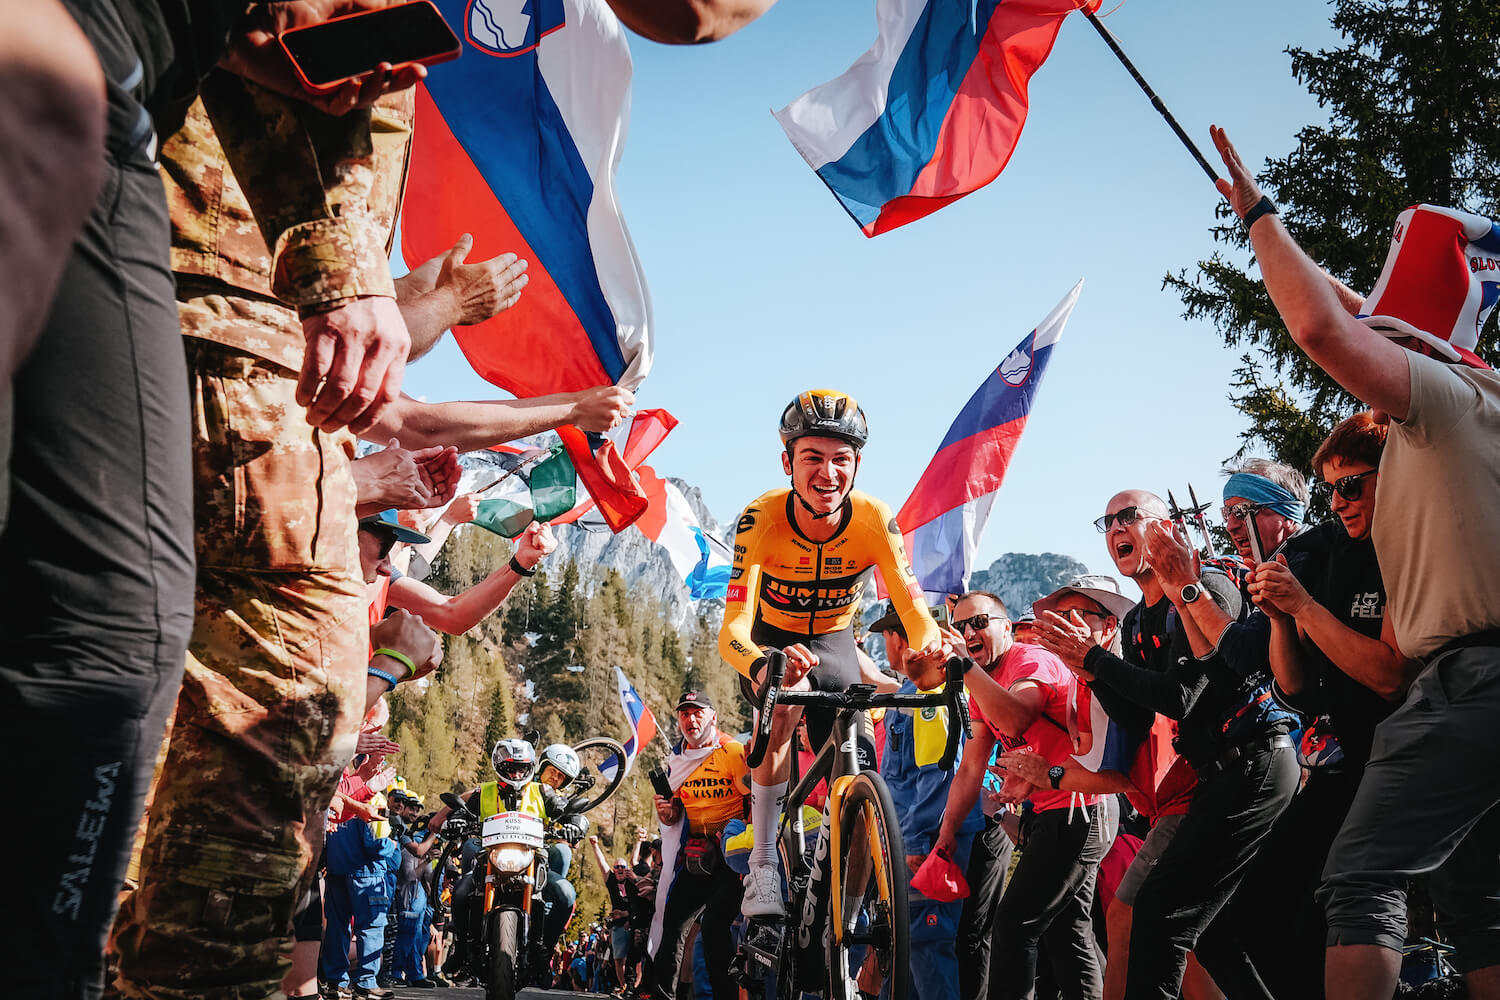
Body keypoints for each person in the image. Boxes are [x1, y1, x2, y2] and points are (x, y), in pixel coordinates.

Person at [24, 2, 415, 994]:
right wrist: (337, 254)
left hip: (115, 273)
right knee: (247, 745)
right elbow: (281, 41)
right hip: (233, 329)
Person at [1214, 125, 1500, 1000]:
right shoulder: (1480, 395)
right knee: (1482, 907)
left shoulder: (1439, 402)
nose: (1341, 501)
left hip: (1465, 682)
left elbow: (1322, 329)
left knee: (1361, 879)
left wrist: (1260, 215)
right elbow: (1355, 312)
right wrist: (1268, 227)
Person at [1061, 491, 1298, 1000]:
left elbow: (1184, 696)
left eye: (1129, 516)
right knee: (1212, 932)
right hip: (1223, 773)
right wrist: (1091, 671)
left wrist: (1098, 663)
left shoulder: (1208, 583)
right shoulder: (1135, 622)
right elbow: (1138, 714)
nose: (1116, 529)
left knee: (1159, 909)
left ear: (1165, 527)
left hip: (1256, 758)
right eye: (1107, 521)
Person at [719, 389, 939, 918]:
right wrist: (762, 665)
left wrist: (931, 644)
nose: (828, 472)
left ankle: (850, 900)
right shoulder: (761, 518)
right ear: (787, 461)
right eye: (812, 457)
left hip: (836, 644)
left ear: (857, 464)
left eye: (841, 459)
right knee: (785, 707)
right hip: (771, 641)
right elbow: (732, 628)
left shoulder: (872, 518)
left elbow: (913, 606)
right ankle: (766, 866)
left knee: (859, 758)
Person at [1233, 411, 1419, 998]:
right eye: (1330, 489)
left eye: (1351, 484)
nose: (1338, 502)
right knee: (1254, 910)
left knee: (1349, 900)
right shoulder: (1328, 550)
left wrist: (1305, 607)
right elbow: (1293, 690)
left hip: (1395, 755)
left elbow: (1389, 676)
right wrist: (1279, 618)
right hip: (1338, 759)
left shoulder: (1402, 541)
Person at [1029, 571, 1216, 1000]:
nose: (1065, 623)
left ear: (1109, 625)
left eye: (1078, 614)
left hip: (1182, 802)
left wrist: (1049, 776)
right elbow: (1099, 762)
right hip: (1164, 810)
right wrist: (1036, 779)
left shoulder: (1119, 671)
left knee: (1128, 916)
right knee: (1157, 927)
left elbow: (1117, 774)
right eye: (1058, 616)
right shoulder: (1084, 681)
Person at [933, 591, 1114, 1000]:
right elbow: (970, 768)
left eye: (978, 622)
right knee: (1068, 936)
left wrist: (964, 666)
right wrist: (946, 835)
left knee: (1015, 924)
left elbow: (1018, 715)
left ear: (1006, 628)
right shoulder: (984, 683)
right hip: (1055, 812)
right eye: (960, 626)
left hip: (1080, 809)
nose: (968, 633)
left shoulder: (1028, 659)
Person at [872, 603, 983, 1000]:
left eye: (885, 636)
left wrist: (918, 845)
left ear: (898, 638)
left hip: (925, 842)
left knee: (925, 948)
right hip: (909, 840)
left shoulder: (929, 696)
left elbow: (936, 775)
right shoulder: (910, 691)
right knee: (905, 952)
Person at [426, 739, 589, 979]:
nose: (516, 773)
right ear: (499, 766)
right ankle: (462, 948)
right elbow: (463, 811)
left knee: (565, 894)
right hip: (491, 857)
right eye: (511, 767)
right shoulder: (485, 791)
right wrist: (455, 821)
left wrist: (576, 825)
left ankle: (543, 950)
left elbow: (567, 811)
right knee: (461, 890)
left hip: (533, 858)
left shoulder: (542, 792)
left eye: (522, 768)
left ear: (530, 768)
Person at [648, 691, 750, 1000]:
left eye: (698, 713)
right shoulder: (677, 760)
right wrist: (667, 815)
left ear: (713, 717)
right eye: (684, 714)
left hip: (729, 856)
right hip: (695, 855)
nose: (691, 720)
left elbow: (754, 799)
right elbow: (674, 815)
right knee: (672, 925)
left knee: (715, 927)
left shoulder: (731, 752)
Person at [321, 758, 402, 1000]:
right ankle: (365, 982)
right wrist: (394, 846)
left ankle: (336, 982)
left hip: (336, 870)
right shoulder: (372, 799)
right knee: (371, 928)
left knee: (337, 927)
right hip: (366, 874)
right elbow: (376, 844)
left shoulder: (338, 792)